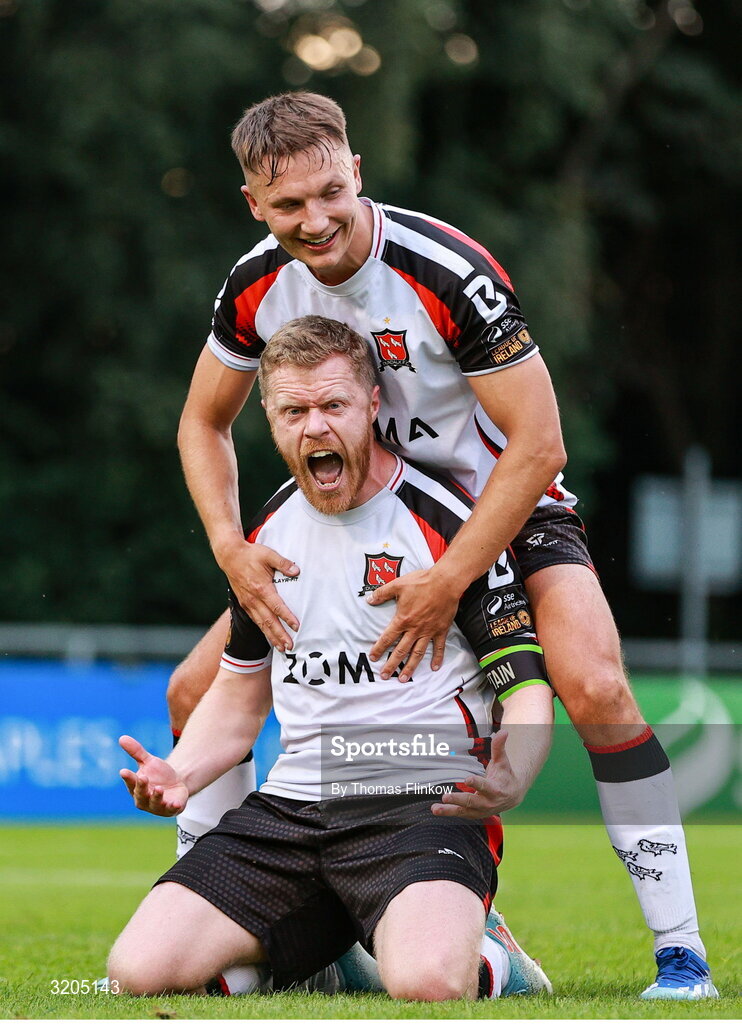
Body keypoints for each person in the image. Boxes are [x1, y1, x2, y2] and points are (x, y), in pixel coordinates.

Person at [172, 92, 717, 1000]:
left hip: (498, 509)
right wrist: (231, 545)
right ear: (253, 204)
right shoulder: (253, 283)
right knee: (194, 693)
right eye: (288, 205)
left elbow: (540, 443)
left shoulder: (446, 269)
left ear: (357, 172)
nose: (314, 220)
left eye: (329, 193)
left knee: (595, 686)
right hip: (349, 508)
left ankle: (681, 955)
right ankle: (249, 944)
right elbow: (201, 423)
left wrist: (452, 577)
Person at [108, 320, 554, 1000]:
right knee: (139, 973)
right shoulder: (264, 535)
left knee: (428, 985)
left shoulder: (449, 523)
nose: (314, 427)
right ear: (269, 418)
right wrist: (182, 771)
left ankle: (496, 959)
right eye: (294, 411)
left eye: (333, 406)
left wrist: (515, 769)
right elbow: (238, 696)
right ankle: (332, 953)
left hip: (421, 805)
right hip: (295, 808)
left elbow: (525, 685)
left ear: (373, 405)